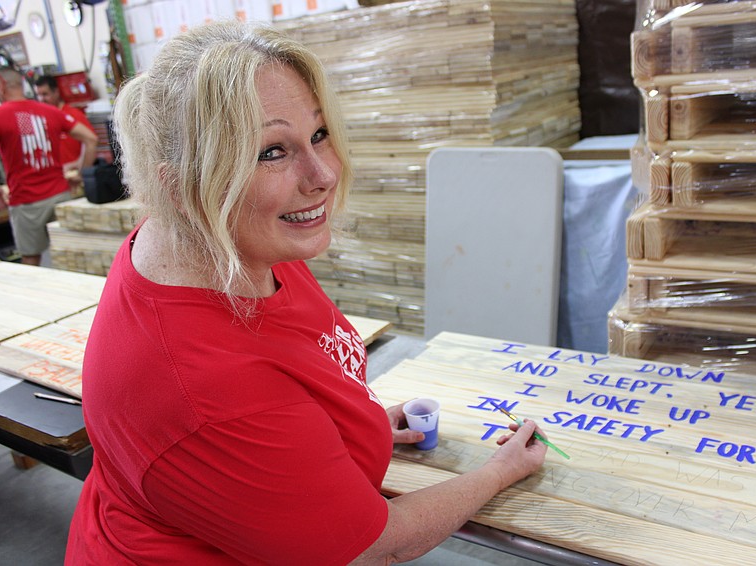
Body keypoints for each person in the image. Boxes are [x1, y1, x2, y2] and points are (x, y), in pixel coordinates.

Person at [65, 21, 548, 565]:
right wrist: (499, 471)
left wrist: (346, 431)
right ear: (180, 188)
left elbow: (293, 364)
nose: (323, 174)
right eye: (271, 151)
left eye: (318, 135)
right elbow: (374, 546)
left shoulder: (227, 243)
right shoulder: (207, 387)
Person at [0, 67, 98, 266]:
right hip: (59, 196)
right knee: (72, 258)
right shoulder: (48, 112)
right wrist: (81, 173)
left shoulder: (1, 115)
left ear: (1, 85)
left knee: (31, 260)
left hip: (27, 201)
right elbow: (91, 138)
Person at [33, 74, 97, 176]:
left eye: (45, 94)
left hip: (73, 174)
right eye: (38, 95)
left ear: (56, 92)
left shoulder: (74, 115)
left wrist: (80, 168)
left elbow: (91, 143)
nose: (41, 99)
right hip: (55, 177)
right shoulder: (40, 119)